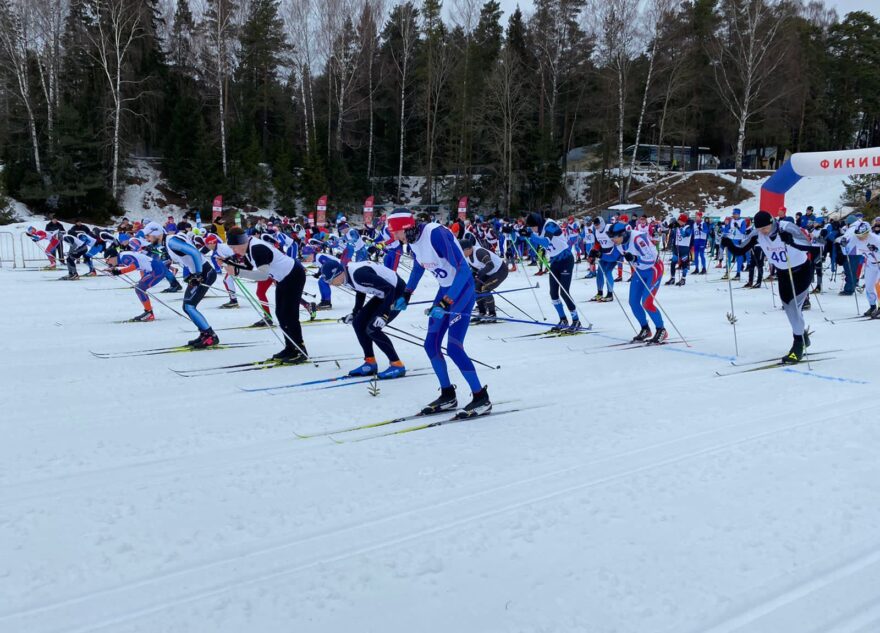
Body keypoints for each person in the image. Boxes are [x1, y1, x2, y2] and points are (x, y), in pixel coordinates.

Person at [387, 209, 490, 418]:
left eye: (396, 232)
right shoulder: (413, 241)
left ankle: (481, 397)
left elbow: (463, 270)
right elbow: (418, 266)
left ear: (406, 228)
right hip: (445, 290)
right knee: (430, 344)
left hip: (461, 290)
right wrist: (406, 294)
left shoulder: (436, 234)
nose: (395, 237)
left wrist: (446, 301)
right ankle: (448, 394)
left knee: (454, 347)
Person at [723, 211, 818, 363]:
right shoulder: (757, 233)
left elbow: (809, 245)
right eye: (760, 229)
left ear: (772, 222)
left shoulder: (786, 227)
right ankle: (803, 336)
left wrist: (792, 241)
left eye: (766, 228)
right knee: (788, 307)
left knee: (793, 307)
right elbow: (741, 249)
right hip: (783, 274)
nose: (764, 232)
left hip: (801, 271)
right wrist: (729, 244)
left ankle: (798, 344)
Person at [224, 227, 308, 363]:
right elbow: (250, 268)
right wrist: (231, 265)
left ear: (242, 242)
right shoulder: (247, 248)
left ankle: (300, 350)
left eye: (235, 247)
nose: (234, 251)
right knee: (280, 313)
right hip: (283, 277)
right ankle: (290, 347)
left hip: (293, 275)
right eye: (231, 248)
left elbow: (262, 275)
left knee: (289, 314)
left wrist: (237, 272)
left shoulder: (257, 248)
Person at [320, 258, 408, 379]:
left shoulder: (358, 274)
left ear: (339, 273)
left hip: (397, 292)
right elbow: (360, 289)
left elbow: (390, 289)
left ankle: (397, 365)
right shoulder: (347, 276)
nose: (331, 284)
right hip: (384, 293)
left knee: (373, 329)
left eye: (331, 280)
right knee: (358, 323)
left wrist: (384, 314)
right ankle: (370, 362)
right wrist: (355, 312)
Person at [607, 222, 668, 344]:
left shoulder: (638, 238)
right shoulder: (619, 242)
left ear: (622, 234)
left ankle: (661, 330)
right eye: (611, 237)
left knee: (647, 303)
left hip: (653, 269)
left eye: (614, 237)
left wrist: (635, 258)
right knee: (633, 302)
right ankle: (645, 329)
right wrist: (598, 254)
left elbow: (651, 258)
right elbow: (613, 255)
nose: (612, 239)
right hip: (640, 271)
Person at [519, 212, 580, 330]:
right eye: (531, 227)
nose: (533, 229)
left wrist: (530, 234)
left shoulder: (550, 225)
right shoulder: (538, 228)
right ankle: (563, 319)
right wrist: (524, 234)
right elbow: (527, 236)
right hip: (554, 261)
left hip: (566, 259)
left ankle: (576, 320)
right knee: (553, 293)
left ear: (538, 223)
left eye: (533, 227)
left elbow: (545, 242)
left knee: (564, 292)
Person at [166, 226, 219, 348]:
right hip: (200, 273)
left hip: (205, 273)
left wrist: (198, 274)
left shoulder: (171, 241)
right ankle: (204, 334)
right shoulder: (171, 241)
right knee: (187, 306)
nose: (147, 238)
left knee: (189, 306)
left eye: (148, 236)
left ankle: (210, 336)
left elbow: (195, 252)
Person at [105, 237, 168, 322]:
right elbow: (129, 263)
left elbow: (135, 265)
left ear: (112, 257)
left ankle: (149, 313)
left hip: (156, 270)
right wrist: (114, 269)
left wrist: (119, 272)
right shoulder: (122, 256)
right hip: (155, 269)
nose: (107, 263)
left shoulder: (124, 257)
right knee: (139, 288)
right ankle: (148, 312)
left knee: (139, 288)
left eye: (107, 260)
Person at [460, 234, 508, 323]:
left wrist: (479, 273)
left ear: (468, 249)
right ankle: (482, 312)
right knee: (475, 289)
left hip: (500, 271)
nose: (461, 254)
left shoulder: (479, 252)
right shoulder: (467, 256)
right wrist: (474, 273)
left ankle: (492, 314)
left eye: (462, 251)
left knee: (485, 289)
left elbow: (490, 265)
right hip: (489, 272)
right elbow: (475, 267)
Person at [837, 220, 880, 317]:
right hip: (870, 264)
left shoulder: (876, 239)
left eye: (863, 235)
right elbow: (846, 251)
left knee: (878, 285)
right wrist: (843, 245)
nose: (860, 237)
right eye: (858, 235)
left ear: (868, 232)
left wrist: (876, 250)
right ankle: (872, 306)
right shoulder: (855, 238)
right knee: (869, 287)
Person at [589, 217, 621, 303]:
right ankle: (599, 293)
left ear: (602, 223)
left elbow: (618, 241)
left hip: (613, 254)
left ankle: (610, 294)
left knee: (607, 272)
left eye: (598, 224)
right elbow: (597, 243)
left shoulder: (609, 228)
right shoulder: (596, 231)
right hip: (604, 255)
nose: (596, 226)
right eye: (595, 225)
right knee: (599, 271)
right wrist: (593, 253)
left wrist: (618, 254)